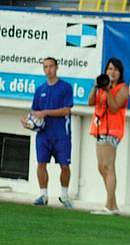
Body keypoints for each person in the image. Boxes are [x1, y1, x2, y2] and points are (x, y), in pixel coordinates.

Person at [21, 57, 74, 208]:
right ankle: (43, 195)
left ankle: (64, 195)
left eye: (51, 66)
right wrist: (29, 124)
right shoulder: (40, 90)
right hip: (43, 135)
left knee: (64, 165)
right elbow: (35, 113)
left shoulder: (66, 87)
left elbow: (66, 110)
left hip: (61, 135)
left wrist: (45, 112)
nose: (48, 69)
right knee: (41, 164)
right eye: (45, 67)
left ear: (56, 67)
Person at [88, 57, 129, 215]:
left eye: (115, 69)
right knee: (101, 167)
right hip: (100, 129)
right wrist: (96, 86)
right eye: (109, 69)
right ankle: (113, 205)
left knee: (109, 167)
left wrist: (108, 90)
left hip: (112, 130)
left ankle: (109, 205)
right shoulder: (101, 86)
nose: (112, 72)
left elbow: (114, 107)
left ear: (120, 73)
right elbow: (90, 102)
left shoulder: (122, 88)